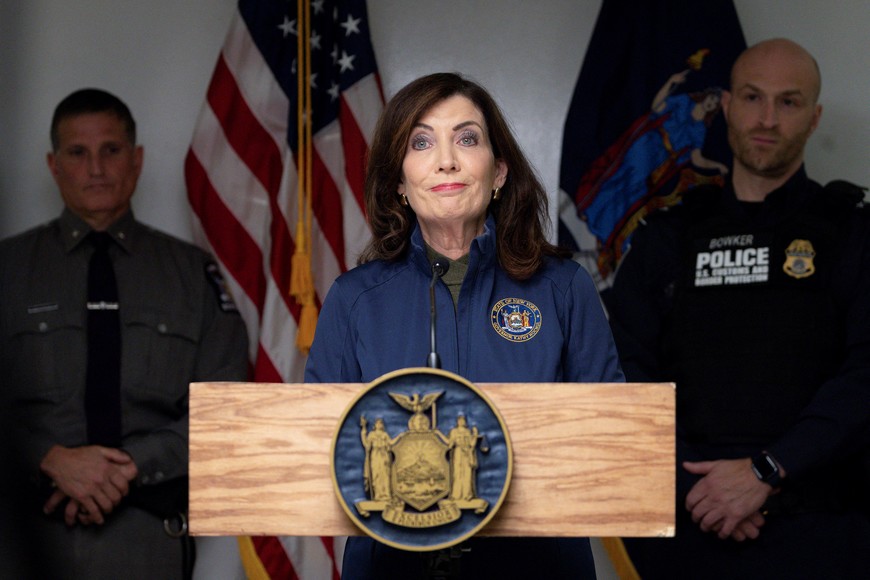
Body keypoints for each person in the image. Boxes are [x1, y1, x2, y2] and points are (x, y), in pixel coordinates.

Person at [305, 72, 624, 579]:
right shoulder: (353, 299)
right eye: (421, 142)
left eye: (467, 138)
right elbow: (317, 452)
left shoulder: (564, 287)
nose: (446, 160)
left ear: (499, 172)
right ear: (399, 183)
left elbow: (614, 440)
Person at [607, 38, 870, 579]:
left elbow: (865, 376)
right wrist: (698, 488)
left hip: (822, 535)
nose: (767, 118)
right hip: (686, 527)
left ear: (815, 117)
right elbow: (621, 374)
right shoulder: (666, 236)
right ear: (726, 106)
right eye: (752, 97)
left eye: (788, 102)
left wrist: (768, 471)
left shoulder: (854, 234)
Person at [0, 88, 249, 579]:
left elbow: (227, 409)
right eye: (78, 152)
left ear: (136, 160)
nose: (96, 168)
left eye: (111, 150)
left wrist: (129, 466)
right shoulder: (7, 269)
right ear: (54, 165)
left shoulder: (191, 274)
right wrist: (48, 459)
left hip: (148, 541)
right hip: (25, 543)